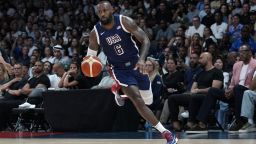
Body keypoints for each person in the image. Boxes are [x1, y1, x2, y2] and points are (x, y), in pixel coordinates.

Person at [86, 1, 177, 144]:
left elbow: (145, 40)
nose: (102, 14)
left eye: (105, 10)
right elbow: (90, 58)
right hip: (119, 70)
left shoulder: (124, 21)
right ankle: (166, 133)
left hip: (136, 64)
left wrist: (141, 59)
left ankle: (118, 91)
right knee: (138, 101)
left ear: (112, 10)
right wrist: (88, 67)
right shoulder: (95, 33)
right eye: (99, 12)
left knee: (148, 101)